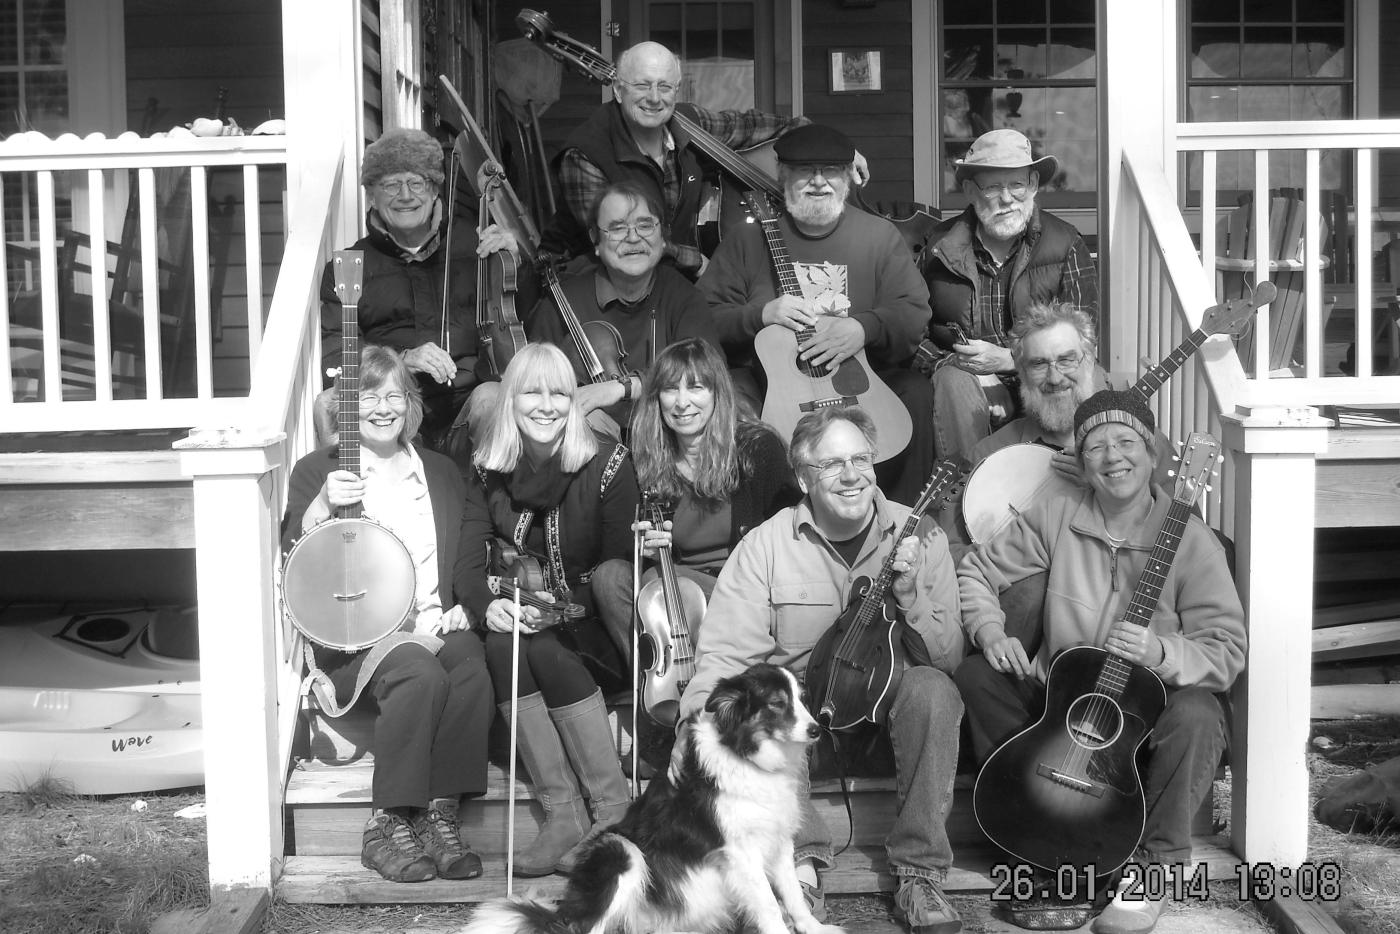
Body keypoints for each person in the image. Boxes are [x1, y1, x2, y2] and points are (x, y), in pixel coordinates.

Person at [955, 390, 1246, 934]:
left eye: (1126, 441)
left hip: (1140, 717)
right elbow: (976, 571)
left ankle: (1153, 869)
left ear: (1155, 453)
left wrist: (1163, 652)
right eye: (1096, 447)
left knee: (1200, 714)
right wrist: (989, 629)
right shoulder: (1057, 514)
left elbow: (1226, 649)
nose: (1113, 456)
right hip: (1065, 705)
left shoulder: (1191, 538)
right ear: (1081, 463)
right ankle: (1033, 824)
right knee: (977, 675)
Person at [680, 406, 967, 934]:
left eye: (861, 458)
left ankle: (919, 873)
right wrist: (694, 724)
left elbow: (949, 658)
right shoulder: (765, 547)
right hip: (806, 732)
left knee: (935, 690)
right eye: (832, 464)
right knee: (784, 699)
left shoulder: (921, 534)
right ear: (802, 478)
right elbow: (726, 658)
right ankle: (802, 869)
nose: (852, 475)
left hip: (891, 717)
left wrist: (912, 599)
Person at [282, 345, 493, 884]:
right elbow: (295, 566)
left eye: (394, 395)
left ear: (411, 404)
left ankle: (440, 816)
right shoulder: (318, 471)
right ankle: (388, 823)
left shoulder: (443, 473)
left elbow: (470, 550)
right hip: (359, 638)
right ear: (346, 407)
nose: (383, 407)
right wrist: (320, 509)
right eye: (368, 396)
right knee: (418, 672)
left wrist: (468, 607)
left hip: (431, 620)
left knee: (470, 669)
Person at [456, 342, 638, 877]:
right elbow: (468, 564)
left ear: (573, 401)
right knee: (504, 638)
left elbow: (616, 571)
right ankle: (564, 813)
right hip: (526, 622)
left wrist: (554, 611)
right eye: (531, 392)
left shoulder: (608, 464)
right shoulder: (489, 470)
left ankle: (612, 809)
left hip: (597, 629)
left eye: (559, 392)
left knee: (539, 641)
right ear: (509, 400)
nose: (546, 405)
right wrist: (489, 605)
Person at [697, 123, 935, 507]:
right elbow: (704, 317)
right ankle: (762, 527)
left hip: (863, 381)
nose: (819, 182)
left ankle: (907, 517)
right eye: (806, 171)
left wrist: (863, 327)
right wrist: (760, 315)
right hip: (775, 386)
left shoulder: (879, 236)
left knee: (916, 391)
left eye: (831, 172)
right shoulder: (748, 239)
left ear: (848, 178)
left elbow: (913, 312)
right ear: (784, 176)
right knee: (736, 396)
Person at [542, 40, 867, 278]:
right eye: (642, 86)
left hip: (670, 277)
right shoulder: (584, 153)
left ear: (677, 89)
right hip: (595, 279)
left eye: (665, 86)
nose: (654, 98)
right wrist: (696, 261)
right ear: (617, 90)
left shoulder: (688, 123)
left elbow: (762, 126)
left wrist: (836, 153)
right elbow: (617, 238)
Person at [591, 337, 801, 703]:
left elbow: (793, 533)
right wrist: (643, 548)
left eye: (696, 387)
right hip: (682, 597)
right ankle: (656, 693)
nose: (682, 402)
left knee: (657, 582)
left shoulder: (756, 448)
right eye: (670, 389)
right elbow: (633, 555)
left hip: (747, 590)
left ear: (718, 393)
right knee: (611, 578)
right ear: (657, 398)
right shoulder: (645, 459)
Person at [317, 128, 519, 450]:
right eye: (391, 185)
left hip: (467, 402)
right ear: (371, 194)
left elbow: (522, 323)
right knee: (328, 404)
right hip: (389, 404)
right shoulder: (348, 265)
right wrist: (402, 360)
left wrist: (513, 261)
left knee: (495, 398)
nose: (406, 195)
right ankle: (352, 500)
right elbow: (337, 358)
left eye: (417, 182)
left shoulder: (477, 244)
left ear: (436, 188)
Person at [921, 129, 1099, 469]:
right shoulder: (936, 247)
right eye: (992, 186)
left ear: (1032, 185)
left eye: (1017, 185)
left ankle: (1076, 482)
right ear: (970, 191)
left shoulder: (1066, 243)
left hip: (1044, 368)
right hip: (965, 382)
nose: (1007, 198)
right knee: (953, 382)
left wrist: (1008, 361)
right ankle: (964, 494)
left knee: (1090, 374)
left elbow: (1084, 338)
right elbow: (912, 335)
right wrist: (965, 368)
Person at [526, 181, 718, 434]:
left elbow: (707, 375)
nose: (633, 237)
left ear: (663, 237)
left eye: (645, 225)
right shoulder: (560, 303)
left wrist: (622, 388)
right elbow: (528, 389)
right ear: (595, 239)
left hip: (669, 440)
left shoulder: (684, 297)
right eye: (617, 228)